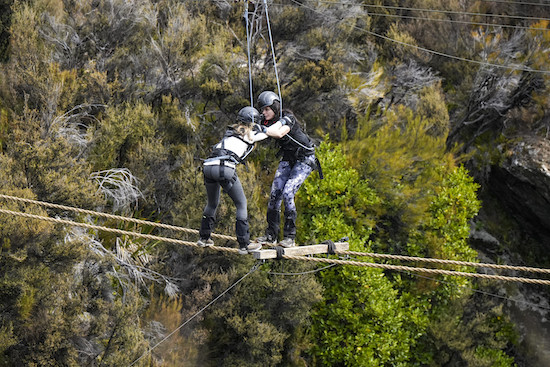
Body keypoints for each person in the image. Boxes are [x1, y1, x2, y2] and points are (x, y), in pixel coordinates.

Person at [198, 106, 268, 254]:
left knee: (212, 203)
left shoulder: (231, 132)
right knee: (241, 203)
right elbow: (272, 133)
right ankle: (244, 244)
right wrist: (283, 121)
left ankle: (204, 238)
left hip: (208, 165)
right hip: (224, 167)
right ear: (253, 123)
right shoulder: (251, 135)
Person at [252, 91, 318, 248]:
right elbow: (258, 134)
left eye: (267, 109)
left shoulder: (288, 117)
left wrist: (260, 128)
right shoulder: (266, 121)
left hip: (304, 159)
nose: (264, 112)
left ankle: (290, 237)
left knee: (288, 193)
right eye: (262, 110)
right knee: (275, 194)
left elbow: (278, 132)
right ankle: (271, 235)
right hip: (288, 159)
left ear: (275, 107)